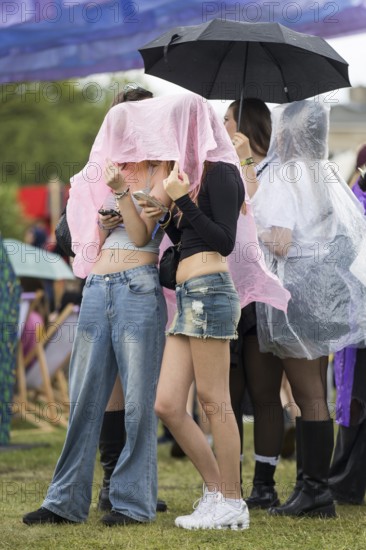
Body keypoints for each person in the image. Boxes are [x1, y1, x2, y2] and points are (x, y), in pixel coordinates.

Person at [140, 95, 290, 531]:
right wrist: (168, 213)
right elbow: (189, 237)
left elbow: (222, 241)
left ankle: (232, 501)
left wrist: (181, 201)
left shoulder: (222, 172)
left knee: (214, 401)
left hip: (210, 290)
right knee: (167, 403)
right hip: (189, 293)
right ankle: (215, 491)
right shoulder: (192, 176)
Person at [23, 94, 174, 526]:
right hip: (97, 286)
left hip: (137, 287)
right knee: (84, 398)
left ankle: (131, 502)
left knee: (138, 403)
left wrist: (123, 196)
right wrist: (102, 221)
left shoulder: (163, 168)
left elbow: (145, 233)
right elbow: (81, 236)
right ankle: (64, 500)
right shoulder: (107, 168)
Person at [241, 98, 366, 518]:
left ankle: (314, 492)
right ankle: (313, 488)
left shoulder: (285, 176)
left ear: (290, 132)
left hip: (293, 298)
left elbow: (281, 241)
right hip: (323, 296)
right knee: (315, 390)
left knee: (307, 393)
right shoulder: (327, 172)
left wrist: (253, 223)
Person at [224, 98, 296, 509]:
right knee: (226, 394)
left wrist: (247, 162)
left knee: (266, 391)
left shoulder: (279, 172)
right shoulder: (220, 168)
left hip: (262, 292)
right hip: (226, 289)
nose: (222, 124)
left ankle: (264, 484)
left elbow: (275, 229)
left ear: (245, 123)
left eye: (228, 118)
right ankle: (228, 480)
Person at [328, 163, 366, 505]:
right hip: (360, 316)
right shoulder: (358, 196)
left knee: (357, 399)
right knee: (355, 397)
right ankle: (345, 481)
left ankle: (346, 482)